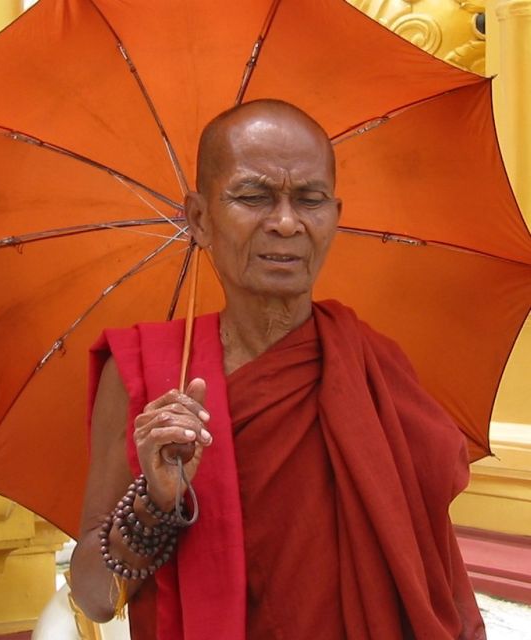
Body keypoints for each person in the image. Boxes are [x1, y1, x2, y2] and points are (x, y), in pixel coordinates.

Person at [70, 99, 486, 640]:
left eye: (309, 200)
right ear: (199, 218)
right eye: (253, 196)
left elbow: (430, 573)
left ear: (335, 215)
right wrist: (156, 500)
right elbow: (93, 595)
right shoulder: (146, 374)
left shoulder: (373, 369)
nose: (287, 223)